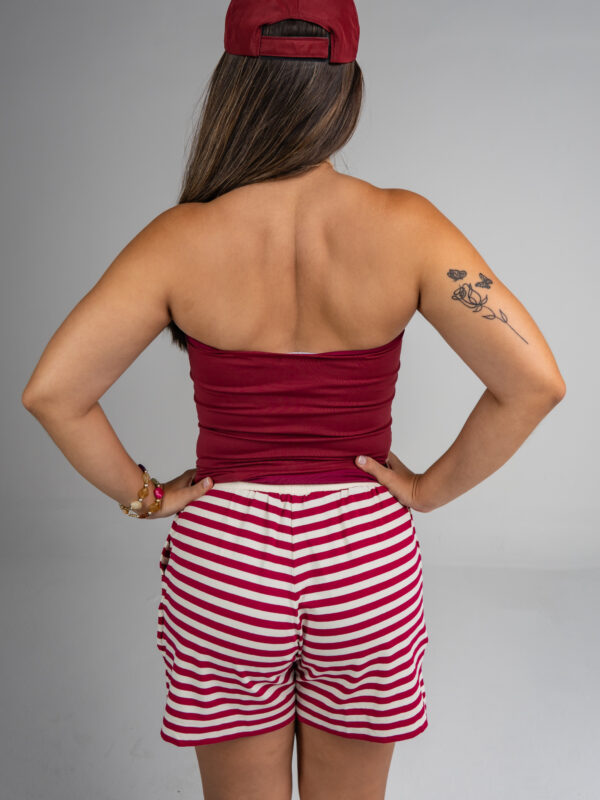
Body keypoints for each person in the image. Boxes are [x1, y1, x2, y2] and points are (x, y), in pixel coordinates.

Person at [21, 1, 566, 798]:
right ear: (345, 89)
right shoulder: (407, 227)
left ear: (233, 87)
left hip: (226, 561)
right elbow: (535, 382)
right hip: (364, 561)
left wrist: (147, 496)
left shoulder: (181, 238)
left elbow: (54, 393)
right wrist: (425, 490)